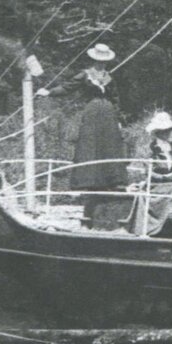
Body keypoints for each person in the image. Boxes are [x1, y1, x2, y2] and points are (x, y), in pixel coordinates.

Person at [68, 64, 131, 228]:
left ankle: (111, 180)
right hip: (92, 113)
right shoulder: (85, 75)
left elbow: (115, 99)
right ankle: (91, 181)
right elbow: (68, 87)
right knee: (90, 146)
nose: (101, 63)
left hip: (108, 114)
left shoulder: (109, 77)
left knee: (110, 147)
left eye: (104, 61)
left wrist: (119, 119)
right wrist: (49, 92)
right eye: (98, 60)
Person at [140, 111, 172, 238]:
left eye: (169, 130)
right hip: (155, 185)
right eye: (165, 130)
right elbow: (148, 173)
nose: (168, 133)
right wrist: (165, 177)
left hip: (171, 183)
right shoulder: (149, 148)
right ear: (157, 132)